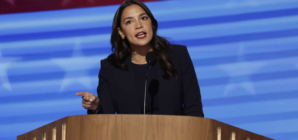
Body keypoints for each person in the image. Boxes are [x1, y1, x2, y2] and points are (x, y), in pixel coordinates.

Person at [76, 0, 204, 117]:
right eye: (129, 21)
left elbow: (194, 109)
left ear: (151, 24)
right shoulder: (110, 67)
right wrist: (96, 107)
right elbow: (107, 121)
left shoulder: (178, 55)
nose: (139, 25)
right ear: (121, 32)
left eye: (143, 18)